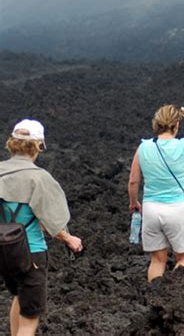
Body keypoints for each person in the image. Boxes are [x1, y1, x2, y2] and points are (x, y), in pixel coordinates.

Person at [0, 119, 82, 336]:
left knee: (18, 296)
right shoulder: (40, 178)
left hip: (3, 252)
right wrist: (69, 239)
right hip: (31, 255)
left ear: (12, 144)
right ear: (38, 146)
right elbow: (52, 224)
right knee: (30, 319)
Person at [128, 105, 184, 283]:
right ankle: (177, 298)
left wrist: (134, 202)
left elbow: (133, 182)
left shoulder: (143, 148)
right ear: (176, 124)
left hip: (151, 210)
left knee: (157, 261)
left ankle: (155, 298)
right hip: (178, 210)